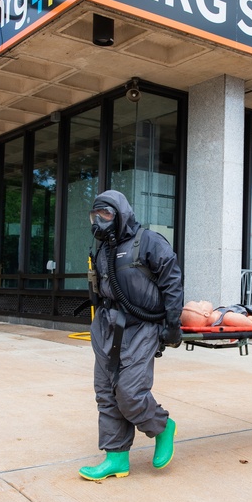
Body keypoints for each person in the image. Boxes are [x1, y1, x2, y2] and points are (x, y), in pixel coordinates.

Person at [79, 190, 184, 481]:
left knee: (129, 393)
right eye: (95, 215)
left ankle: (162, 427)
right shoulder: (101, 248)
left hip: (141, 326)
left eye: (106, 215)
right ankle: (116, 458)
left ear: (121, 214)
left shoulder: (148, 242)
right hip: (106, 326)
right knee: (106, 393)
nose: (99, 221)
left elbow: (172, 283)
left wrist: (172, 327)